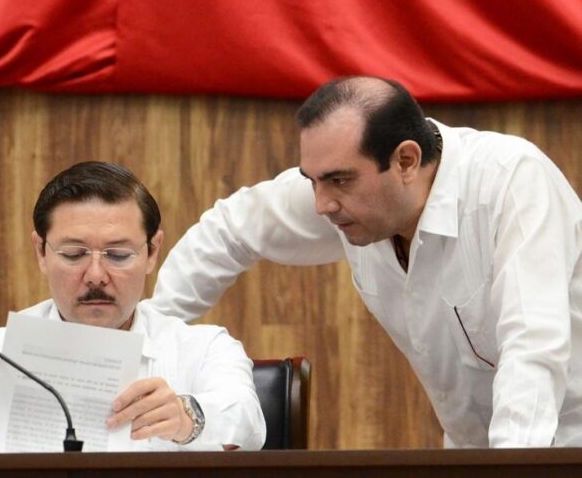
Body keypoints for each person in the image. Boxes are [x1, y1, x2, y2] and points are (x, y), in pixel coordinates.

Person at [147, 75, 582, 448]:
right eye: (312, 181)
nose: (321, 205)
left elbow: (533, 348)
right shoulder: (345, 195)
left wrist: (514, 471)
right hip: (478, 454)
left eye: (338, 180)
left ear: (406, 160)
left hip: (556, 448)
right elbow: (229, 228)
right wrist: (148, 346)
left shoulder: (511, 184)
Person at [0, 161, 265, 454]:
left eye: (118, 254)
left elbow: (249, 426)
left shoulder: (202, 349)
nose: (96, 275)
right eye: (73, 254)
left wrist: (189, 418)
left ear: (152, 252)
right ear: (41, 252)